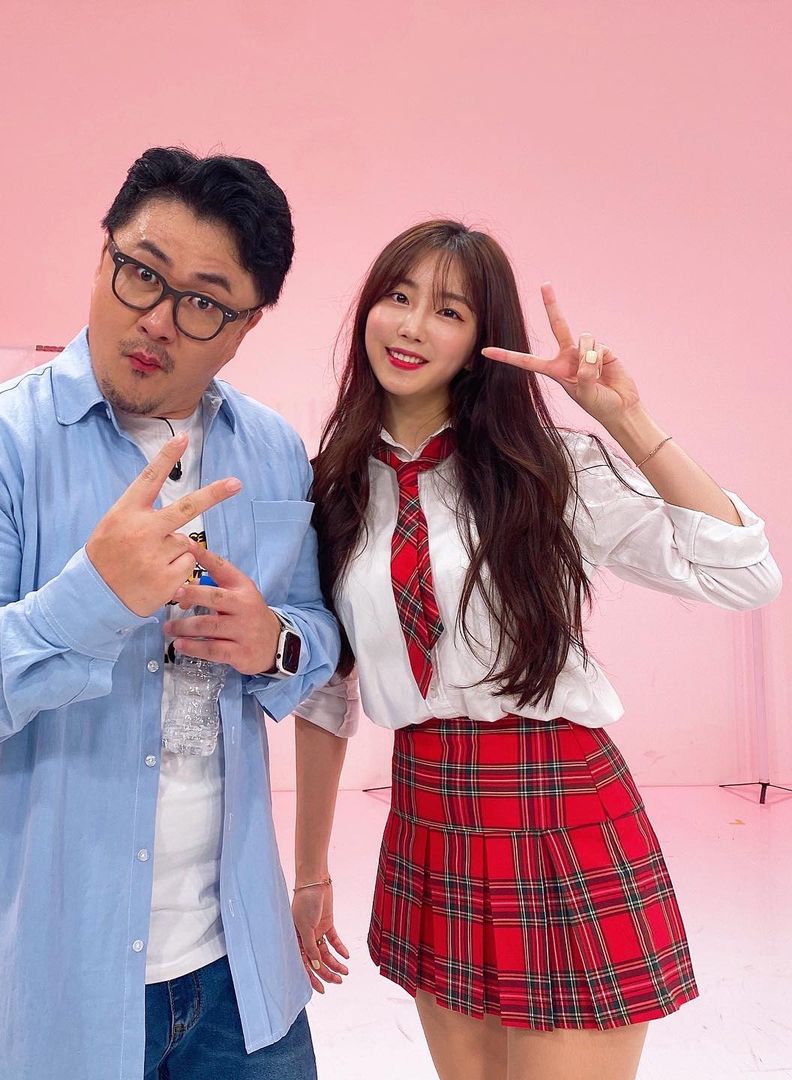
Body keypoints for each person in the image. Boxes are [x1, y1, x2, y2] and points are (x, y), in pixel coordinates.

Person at [0, 147, 340, 1080]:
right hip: (49, 977)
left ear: (246, 326)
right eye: (141, 272)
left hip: (240, 968)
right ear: (103, 257)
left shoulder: (273, 450)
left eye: (203, 301)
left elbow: (317, 639)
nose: (156, 318)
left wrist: (275, 641)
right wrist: (87, 600)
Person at [291, 219, 782, 1080]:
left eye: (448, 311)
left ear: (482, 342)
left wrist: (626, 420)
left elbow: (742, 575)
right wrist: (310, 872)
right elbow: (327, 690)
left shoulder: (546, 469)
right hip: (429, 815)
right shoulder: (334, 481)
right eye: (398, 297)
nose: (412, 326)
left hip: (558, 805)